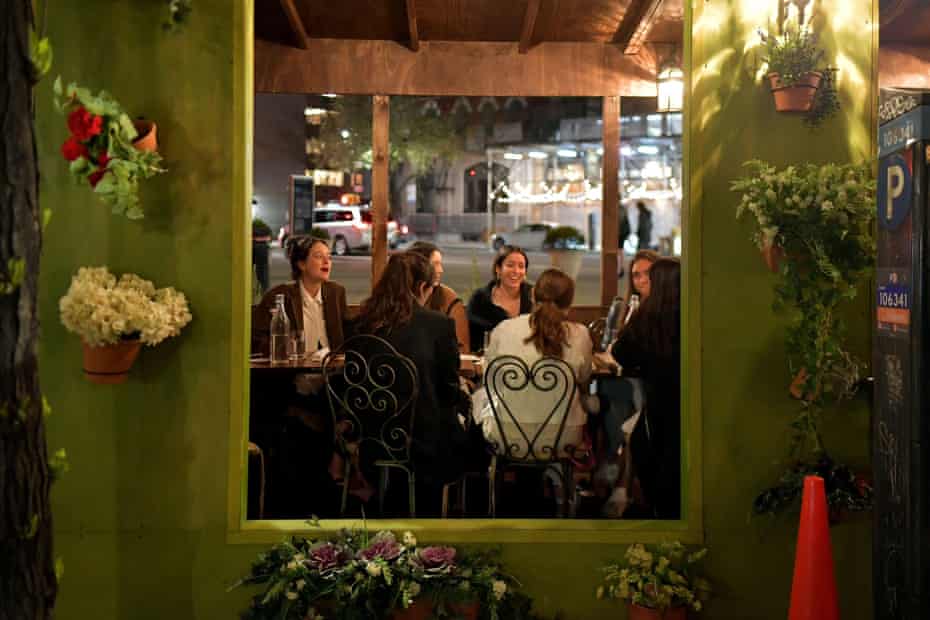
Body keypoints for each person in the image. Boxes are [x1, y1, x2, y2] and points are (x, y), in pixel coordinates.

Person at [353, 253, 472, 512]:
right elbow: (448, 391)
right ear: (421, 287)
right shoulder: (438, 325)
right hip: (425, 447)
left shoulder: (364, 321)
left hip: (373, 441)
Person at [477, 269, 593, 459]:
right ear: (570, 303)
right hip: (562, 438)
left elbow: (490, 378)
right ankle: (561, 483)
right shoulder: (580, 335)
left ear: (532, 295)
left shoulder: (504, 329)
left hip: (507, 434)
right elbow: (585, 377)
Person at [610, 257, 681, 519]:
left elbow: (620, 352)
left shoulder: (648, 315)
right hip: (687, 404)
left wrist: (643, 366)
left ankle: (656, 510)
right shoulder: (690, 313)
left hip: (658, 406)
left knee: (641, 441)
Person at [251, 235, 349, 355]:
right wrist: (282, 347)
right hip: (292, 369)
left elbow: (349, 333)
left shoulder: (336, 292)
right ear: (302, 264)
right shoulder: (278, 296)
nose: (326, 261)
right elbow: (256, 339)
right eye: (319, 256)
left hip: (331, 368)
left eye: (329, 256)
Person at [466, 245, 533, 352]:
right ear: (498, 269)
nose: (516, 271)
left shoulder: (534, 297)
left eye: (521, 266)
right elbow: (470, 338)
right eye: (510, 265)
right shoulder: (480, 299)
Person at [406, 241, 471, 352]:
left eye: (440, 264)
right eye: (435, 264)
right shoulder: (399, 294)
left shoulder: (448, 298)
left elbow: (462, 347)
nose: (441, 270)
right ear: (419, 266)